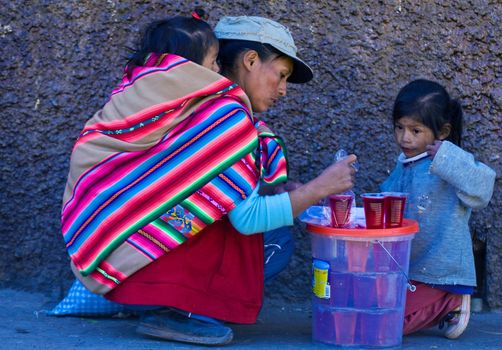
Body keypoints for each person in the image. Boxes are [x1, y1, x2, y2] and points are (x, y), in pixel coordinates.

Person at [61, 13, 357, 346]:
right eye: (282, 75)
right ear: (250, 60)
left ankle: (157, 301)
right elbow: (246, 219)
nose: (284, 91)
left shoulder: (178, 106)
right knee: (277, 239)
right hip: (146, 270)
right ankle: (182, 313)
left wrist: (295, 194)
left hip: (121, 262)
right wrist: (321, 188)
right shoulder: (226, 115)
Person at [380, 79, 496, 339]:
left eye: (415, 130)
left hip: (441, 273)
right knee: (374, 311)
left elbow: (483, 188)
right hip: (410, 270)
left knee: (388, 324)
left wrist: (447, 156)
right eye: (399, 127)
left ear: (441, 132)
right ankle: (441, 307)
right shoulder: (405, 164)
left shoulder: (447, 164)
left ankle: (452, 303)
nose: (404, 137)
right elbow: (385, 200)